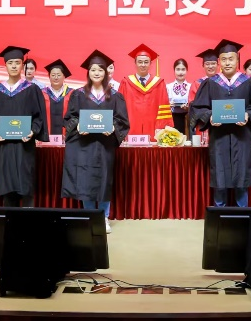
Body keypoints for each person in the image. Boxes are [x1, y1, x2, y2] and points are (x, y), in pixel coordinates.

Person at [190, 39, 251, 208]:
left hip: (242, 136)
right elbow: (198, 108)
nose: (227, 63)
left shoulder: (248, 82)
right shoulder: (210, 83)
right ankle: (220, 215)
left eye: (231, 59)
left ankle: (242, 214)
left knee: (241, 177)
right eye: (224, 59)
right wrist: (210, 116)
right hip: (219, 137)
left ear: (237, 60)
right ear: (219, 62)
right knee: (220, 176)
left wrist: (248, 115)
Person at [62, 50, 130, 233]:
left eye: (100, 70)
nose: (97, 73)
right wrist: (77, 126)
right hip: (84, 145)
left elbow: (122, 120)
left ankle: (103, 217)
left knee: (104, 179)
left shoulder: (114, 96)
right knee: (85, 180)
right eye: (93, 70)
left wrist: (113, 128)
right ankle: (89, 216)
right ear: (88, 72)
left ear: (106, 72)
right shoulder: (78, 95)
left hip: (105, 145)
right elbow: (70, 117)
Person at [0, 46, 49, 207]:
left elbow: (38, 116)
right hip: (4, 146)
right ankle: (9, 219)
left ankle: (28, 220)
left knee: (26, 185)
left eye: (17, 63)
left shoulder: (32, 90)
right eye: (10, 63)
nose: (13, 66)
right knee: (8, 187)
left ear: (22, 65)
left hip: (25, 146)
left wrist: (33, 131)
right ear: (5, 65)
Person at [117, 44, 171, 137]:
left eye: (146, 62)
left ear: (150, 63)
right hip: (131, 126)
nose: (143, 65)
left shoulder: (159, 83)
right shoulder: (126, 82)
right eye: (140, 62)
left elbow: (164, 106)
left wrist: (161, 127)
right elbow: (120, 107)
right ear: (135, 63)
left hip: (153, 127)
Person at [42, 59, 74, 137]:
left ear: (64, 76)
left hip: (66, 137)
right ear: (49, 76)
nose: (56, 77)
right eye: (53, 75)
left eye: (59, 75)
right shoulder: (42, 93)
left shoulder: (72, 93)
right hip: (46, 137)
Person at [166, 58, 196, 134]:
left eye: (183, 69)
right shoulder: (168, 87)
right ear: (174, 70)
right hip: (173, 119)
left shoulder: (191, 86)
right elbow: (163, 105)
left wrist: (189, 107)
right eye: (178, 69)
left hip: (187, 119)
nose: (180, 72)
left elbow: (195, 105)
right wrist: (168, 105)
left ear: (187, 70)